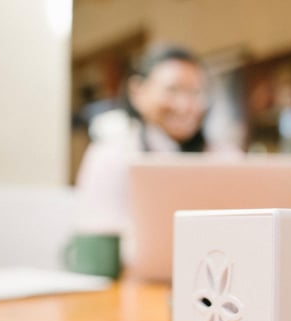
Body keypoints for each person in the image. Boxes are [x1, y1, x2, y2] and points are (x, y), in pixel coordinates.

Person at [74, 44, 236, 262]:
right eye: (173, 90)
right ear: (137, 92)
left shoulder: (227, 158)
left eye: (196, 93)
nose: (185, 105)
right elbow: (98, 243)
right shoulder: (110, 156)